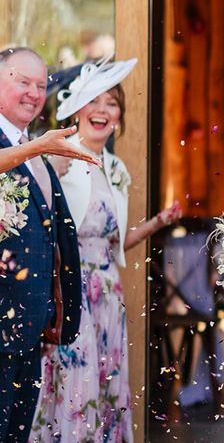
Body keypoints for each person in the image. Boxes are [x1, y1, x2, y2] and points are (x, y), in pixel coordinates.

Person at [31, 58, 182, 442]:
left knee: (107, 380)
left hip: (108, 293)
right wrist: (53, 175)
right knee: (75, 385)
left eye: (112, 102)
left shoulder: (116, 169)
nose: (102, 110)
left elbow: (116, 244)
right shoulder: (58, 155)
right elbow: (42, 230)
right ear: (77, 108)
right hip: (69, 291)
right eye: (94, 101)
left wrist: (159, 222)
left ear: (119, 116)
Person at [0, 47, 82, 442]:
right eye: (22, 81)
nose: (34, 92)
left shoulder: (38, 150)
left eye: (41, 84)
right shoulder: (30, 148)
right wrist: (38, 148)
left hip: (32, 326)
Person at [0, 125, 100, 175]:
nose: (34, 94)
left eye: (42, 87)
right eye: (24, 83)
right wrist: (41, 146)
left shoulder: (30, 135)